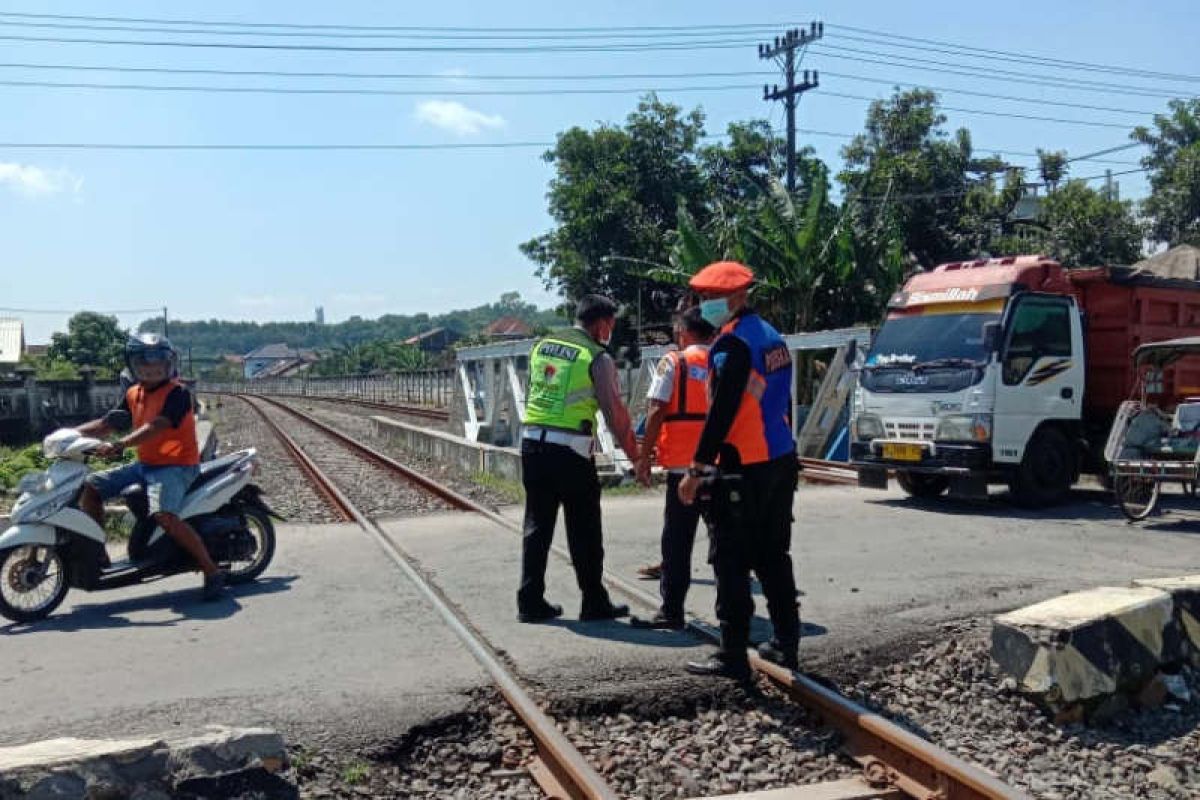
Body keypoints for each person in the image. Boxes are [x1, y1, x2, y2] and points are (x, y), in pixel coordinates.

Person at [677, 261, 801, 680]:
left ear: (736, 297)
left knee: (730, 559)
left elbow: (721, 414)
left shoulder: (731, 347)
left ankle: (732, 654)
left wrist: (696, 470)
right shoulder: (771, 337)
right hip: (780, 458)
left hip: (742, 466)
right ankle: (786, 643)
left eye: (709, 299)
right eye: (701, 298)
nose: (703, 306)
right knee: (773, 556)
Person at [516, 294, 643, 623]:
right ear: (602, 323)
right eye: (611, 325)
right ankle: (593, 601)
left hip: (532, 444)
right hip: (570, 449)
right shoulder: (596, 356)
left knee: (537, 526)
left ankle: (529, 601)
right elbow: (615, 414)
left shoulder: (542, 345)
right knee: (584, 529)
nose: (610, 331)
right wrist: (636, 457)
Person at [77, 334, 226, 601]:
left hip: (177, 467)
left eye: (159, 363)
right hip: (146, 464)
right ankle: (97, 551)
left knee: (164, 516)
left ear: (169, 364)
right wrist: (67, 435)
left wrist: (120, 444)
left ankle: (211, 570)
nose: (152, 368)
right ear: (133, 365)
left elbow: (157, 426)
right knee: (91, 487)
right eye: (144, 364)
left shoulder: (179, 393)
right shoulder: (133, 393)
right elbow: (106, 424)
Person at [630, 308, 716, 630]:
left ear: (684, 332)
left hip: (683, 466)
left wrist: (642, 457)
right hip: (720, 465)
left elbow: (656, 410)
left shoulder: (674, 361)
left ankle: (672, 611)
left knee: (677, 540)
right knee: (723, 542)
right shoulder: (724, 360)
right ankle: (734, 615)